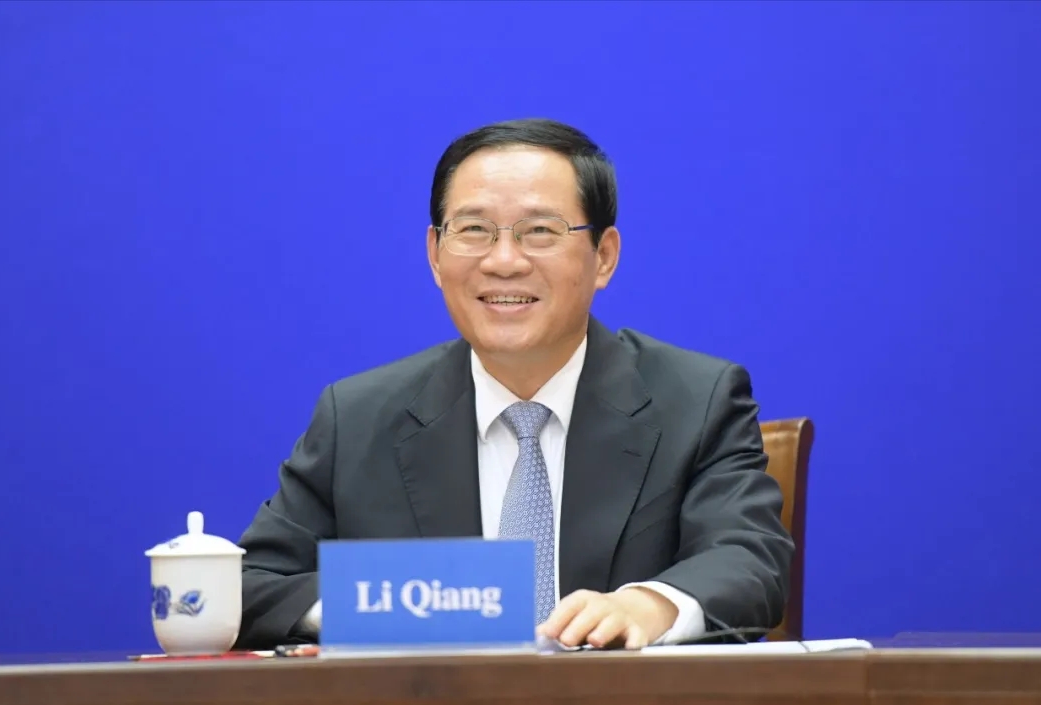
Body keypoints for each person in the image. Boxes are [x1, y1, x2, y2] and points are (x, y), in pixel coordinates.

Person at [234, 118, 794, 651]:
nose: (504, 261)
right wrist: (382, 608)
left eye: (540, 231)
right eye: (474, 230)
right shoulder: (357, 418)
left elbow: (749, 558)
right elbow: (251, 583)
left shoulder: (697, 401)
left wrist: (648, 606)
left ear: (604, 257)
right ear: (434, 254)